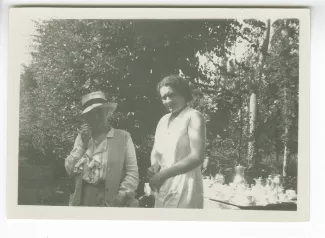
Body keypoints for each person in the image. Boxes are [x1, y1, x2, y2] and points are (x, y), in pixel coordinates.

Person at [65, 91, 139, 207]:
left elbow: (132, 172)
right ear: (86, 118)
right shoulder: (82, 138)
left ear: (107, 113)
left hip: (113, 200)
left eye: (100, 112)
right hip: (84, 200)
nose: (97, 117)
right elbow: (69, 170)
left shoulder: (123, 137)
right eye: (91, 114)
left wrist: (121, 196)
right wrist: (83, 145)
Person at [147, 75, 206, 208]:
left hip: (185, 185)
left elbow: (197, 157)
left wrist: (163, 175)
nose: (167, 101)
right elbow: (156, 152)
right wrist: (154, 167)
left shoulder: (193, 116)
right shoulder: (163, 120)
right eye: (163, 97)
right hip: (163, 185)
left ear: (184, 94)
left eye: (171, 95)